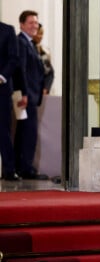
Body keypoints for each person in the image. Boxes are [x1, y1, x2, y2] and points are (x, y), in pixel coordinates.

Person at [14, 10, 47, 180]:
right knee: (28, 133)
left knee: (25, 132)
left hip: (32, 95)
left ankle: (22, 167)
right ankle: (25, 168)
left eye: (36, 22)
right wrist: (25, 94)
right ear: (22, 25)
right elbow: (22, 70)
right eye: (31, 23)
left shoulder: (31, 44)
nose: (35, 25)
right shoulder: (21, 42)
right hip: (27, 96)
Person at [0, 21, 23, 181]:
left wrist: (1, 77)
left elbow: (14, 58)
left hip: (1, 89)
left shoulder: (7, 30)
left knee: (3, 130)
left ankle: (9, 170)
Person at [32, 24, 54, 95]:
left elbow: (49, 72)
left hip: (41, 93)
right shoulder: (23, 46)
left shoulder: (43, 52)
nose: (41, 36)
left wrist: (46, 89)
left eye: (42, 34)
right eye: (39, 33)